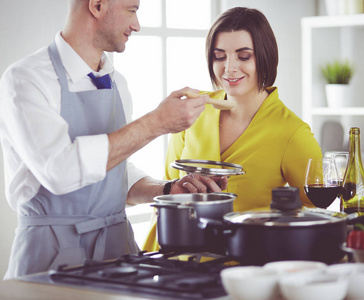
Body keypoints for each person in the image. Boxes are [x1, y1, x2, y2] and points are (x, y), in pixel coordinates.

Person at [0, 0, 225, 279]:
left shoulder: (118, 82)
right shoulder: (26, 79)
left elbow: (114, 171)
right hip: (49, 259)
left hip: (118, 254)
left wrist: (166, 190)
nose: (137, 25)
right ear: (96, 5)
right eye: (132, 9)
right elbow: (60, 170)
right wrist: (156, 123)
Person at [142, 7, 322, 252]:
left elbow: (315, 217)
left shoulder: (292, 133)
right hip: (171, 258)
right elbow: (167, 190)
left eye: (243, 56)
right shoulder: (192, 111)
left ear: (264, 56)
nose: (229, 68)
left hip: (242, 267)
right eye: (219, 56)